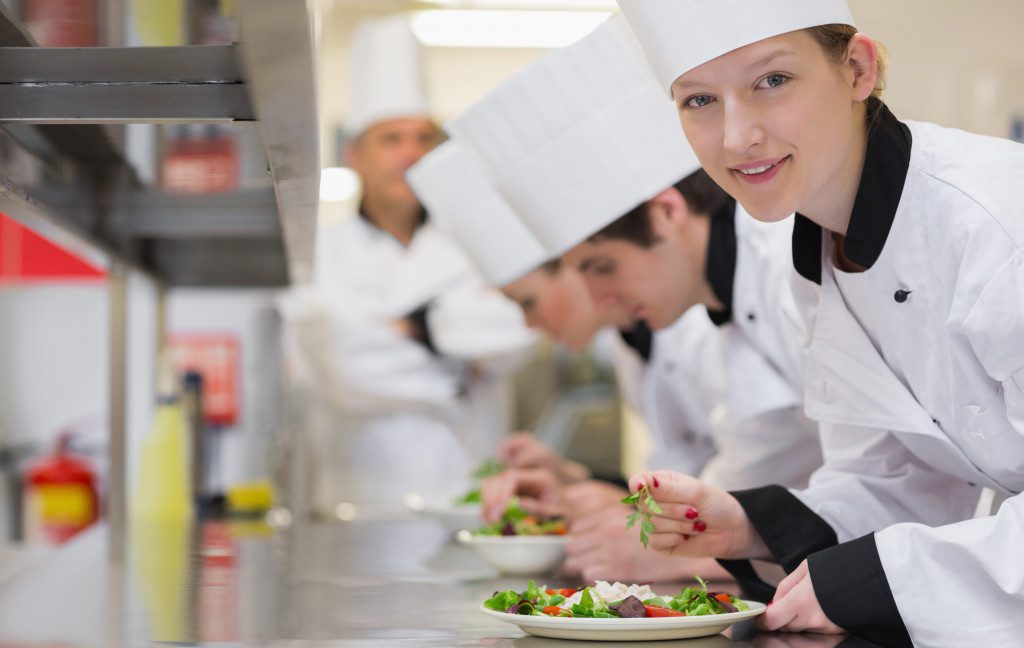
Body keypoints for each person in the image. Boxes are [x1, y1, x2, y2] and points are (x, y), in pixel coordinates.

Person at [616, 0, 1024, 648]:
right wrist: (750, 522)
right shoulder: (817, 262)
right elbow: (899, 478)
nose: (736, 136)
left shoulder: (997, 225)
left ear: (859, 68)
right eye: (698, 100)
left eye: (772, 81)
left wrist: (878, 576)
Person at [448, 16, 822, 583]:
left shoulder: (792, 275)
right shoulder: (720, 300)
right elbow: (727, 479)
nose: (600, 300)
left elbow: (875, 493)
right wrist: (587, 492)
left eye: (601, 268)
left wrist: (694, 550)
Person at [407, 140, 725, 583]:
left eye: (530, 301)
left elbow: (760, 494)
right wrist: (575, 480)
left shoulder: (702, 320)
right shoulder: (630, 342)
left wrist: (629, 513)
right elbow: (696, 480)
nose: (531, 324)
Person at [281, 16, 534, 514]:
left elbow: (519, 334)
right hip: (359, 504)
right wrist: (460, 366)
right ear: (355, 154)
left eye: (424, 138)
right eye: (391, 139)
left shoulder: (480, 245)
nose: (410, 154)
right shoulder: (318, 254)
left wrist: (406, 330)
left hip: (472, 499)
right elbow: (339, 366)